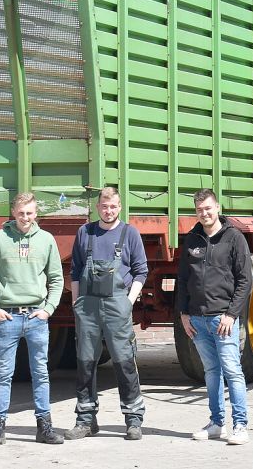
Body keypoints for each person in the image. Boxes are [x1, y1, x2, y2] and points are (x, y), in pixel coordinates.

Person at [0, 192, 65, 448]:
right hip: (8, 317)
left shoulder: (46, 240)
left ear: (36, 213)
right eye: (21, 213)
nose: (25, 218)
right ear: (13, 213)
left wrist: (48, 308)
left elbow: (57, 278)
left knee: (41, 374)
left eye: (29, 213)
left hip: (37, 316)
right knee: (4, 374)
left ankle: (45, 428)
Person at [65, 187, 149, 441]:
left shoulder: (129, 233)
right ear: (98, 207)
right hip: (87, 307)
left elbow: (140, 271)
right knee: (85, 363)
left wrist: (128, 302)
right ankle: (86, 420)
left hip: (117, 306)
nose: (108, 210)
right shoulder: (85, 232)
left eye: (113, 206)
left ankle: (133, 419)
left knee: (124, 362)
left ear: (119, 207)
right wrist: (76, 303)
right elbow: (76, 271)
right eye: (104, 206)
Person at [177, 188, 252, 445]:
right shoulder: (192, 239)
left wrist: (232, 315)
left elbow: (245, 280)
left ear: (217, 207)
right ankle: (217, 423)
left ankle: (240, 425)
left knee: (232, 370)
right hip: (197, 320)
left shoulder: (234, 238)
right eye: (199, 210)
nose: (204, 213)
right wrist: (184, 314)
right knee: (211, 371)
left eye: (208, 208)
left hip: (223, 320)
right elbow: (183, 280)